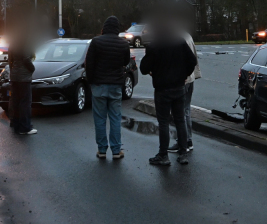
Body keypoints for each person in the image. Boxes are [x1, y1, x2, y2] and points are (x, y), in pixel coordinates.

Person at [140, 23, 197, 166]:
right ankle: (183, 153)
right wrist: (185, 74)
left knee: (164, 122)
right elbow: (192, 60)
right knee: (180, 120)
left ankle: (163, 155)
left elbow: (143, 68)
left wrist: (153, 71)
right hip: (179, 87)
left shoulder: (153, 46)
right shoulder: (180, 42)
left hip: (162, 89)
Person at [85, 16, 130, 160]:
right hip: (116, 85)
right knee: (115, 118)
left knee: (100, 119)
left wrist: (91, 81)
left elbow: (89, 64)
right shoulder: (123, 44)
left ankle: (102, 150)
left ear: (104, 28)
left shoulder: (96, 42)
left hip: (98, 84)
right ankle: (116, 151)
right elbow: (126, 62)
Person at [168, 31, 201, 153]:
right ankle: (188, 140)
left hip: (183, 80)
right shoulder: (187, 35)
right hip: (190, 78)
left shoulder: (176, 39)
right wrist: (195, 73)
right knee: (186, 110)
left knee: (180, 112)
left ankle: (183, 142)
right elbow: (194, 57)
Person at [8, 36, 37, 135]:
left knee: (16, 101)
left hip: (14, 76)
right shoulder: (26, 44)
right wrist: (32, 69)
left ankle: (16, 125)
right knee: (25, 103)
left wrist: (13, 71)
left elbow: (10, 60)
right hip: (24, 78)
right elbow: (26, 59)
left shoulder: (13, 44)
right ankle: (25, 127)